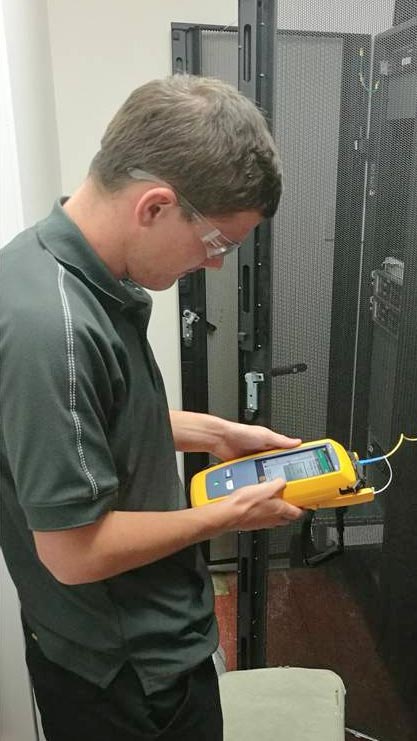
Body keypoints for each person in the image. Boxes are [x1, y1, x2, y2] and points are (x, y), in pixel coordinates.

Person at [0, 75, 303, 741]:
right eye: (218, 243)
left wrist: (214, 432)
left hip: (112, 652)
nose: (216, 266)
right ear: (155, 206)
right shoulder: (56, 328)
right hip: (130, 679)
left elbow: (74, 423)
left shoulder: (43, 265)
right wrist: (223, 515)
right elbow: (73, 551)